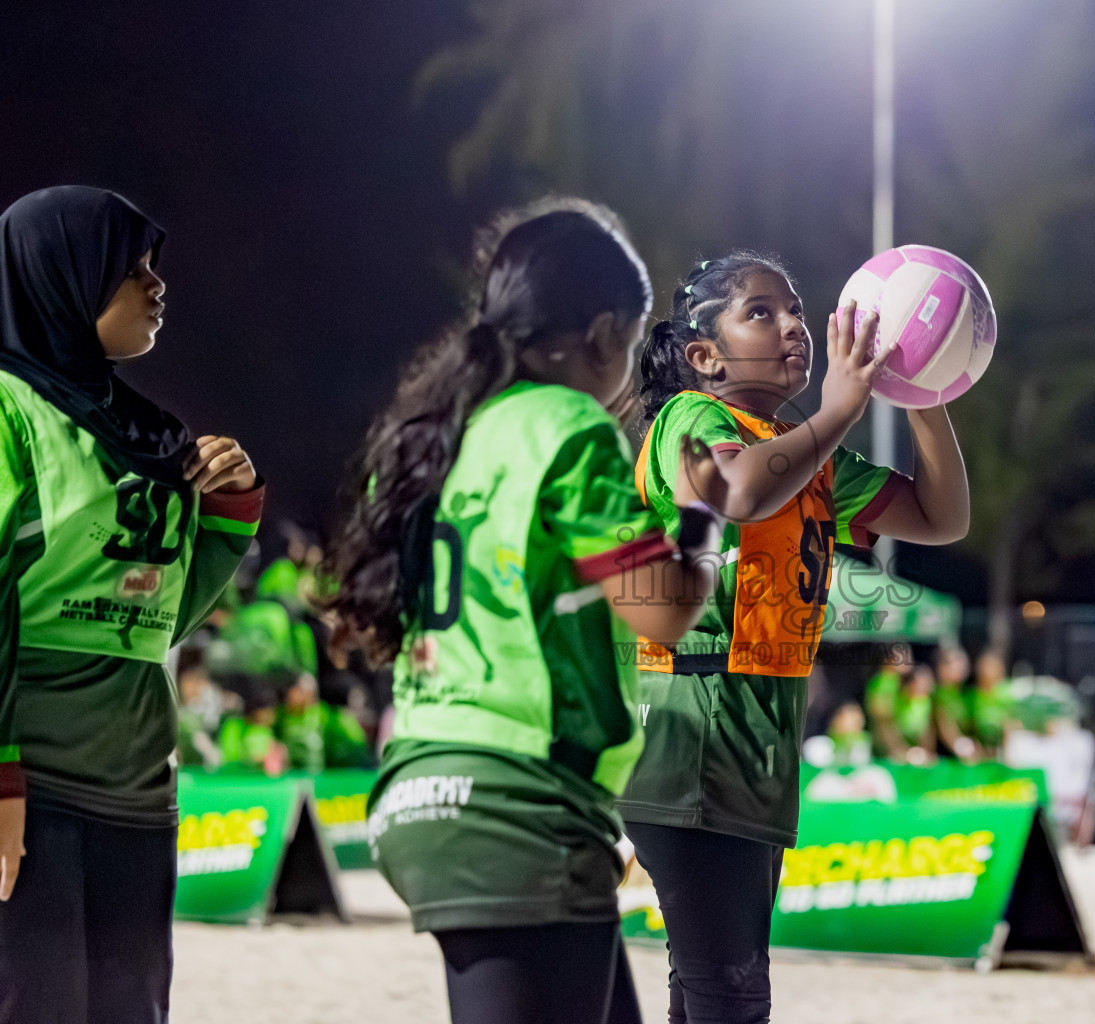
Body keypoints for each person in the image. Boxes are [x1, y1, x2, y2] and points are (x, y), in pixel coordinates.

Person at [321, 199, 726, 1024]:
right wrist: (703, 515)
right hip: (511, 809)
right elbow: (664, 612)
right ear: (607, 332)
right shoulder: (566, 427)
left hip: (425, 785)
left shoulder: (434, 437)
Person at [619, 253, 970, 1023]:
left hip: (756, 746)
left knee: (709, 994)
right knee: (729, 997)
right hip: (688, 741)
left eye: (797, 310)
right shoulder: (690, 419)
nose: (794, 327)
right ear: (703, 357)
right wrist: (840, 409)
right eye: (761, 311)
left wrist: (925, 390)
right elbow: (738, 491)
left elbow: (942, 517)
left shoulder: (808, 456)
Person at [0, 186, 263, 1022]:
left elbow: (157, 616)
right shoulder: (7, 410)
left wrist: (230, 509)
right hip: (34, 782)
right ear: (62, 279)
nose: (156, 286)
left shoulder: (147, 433)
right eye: (131, 268)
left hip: (138, 786)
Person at [932, 646, 977, 762]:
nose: (961, 666)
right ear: (941, 667)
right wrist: (962, 748)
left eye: (963, 662)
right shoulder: (937, 695)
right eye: (955, 662)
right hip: (943, 760)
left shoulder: (967, 695)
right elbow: (945, 729)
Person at [894, 664, 937, 765]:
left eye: (927, 682)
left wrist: (927, 752)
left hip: (919, 752)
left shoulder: (927, 702)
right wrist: (902, 750)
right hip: (899, 750)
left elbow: (928, 731)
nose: (924, 686)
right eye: (920, 682)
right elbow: (892, 728)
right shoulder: (899, 701)